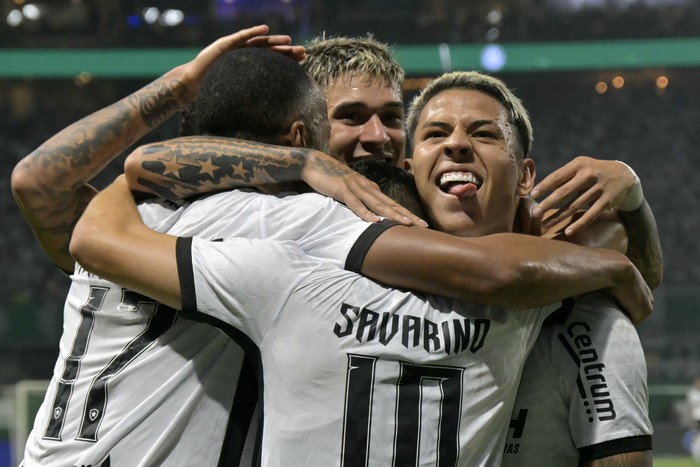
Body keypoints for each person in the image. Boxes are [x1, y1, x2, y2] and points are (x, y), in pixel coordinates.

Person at [13, 29, 650, 467]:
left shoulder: (154, 214)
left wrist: (630, 203)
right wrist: (620, 258)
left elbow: (49, 187)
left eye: (394, 118)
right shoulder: (295, 221)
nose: (379, 138)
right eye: (350, 118)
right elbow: (503, 271)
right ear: (304, 133)